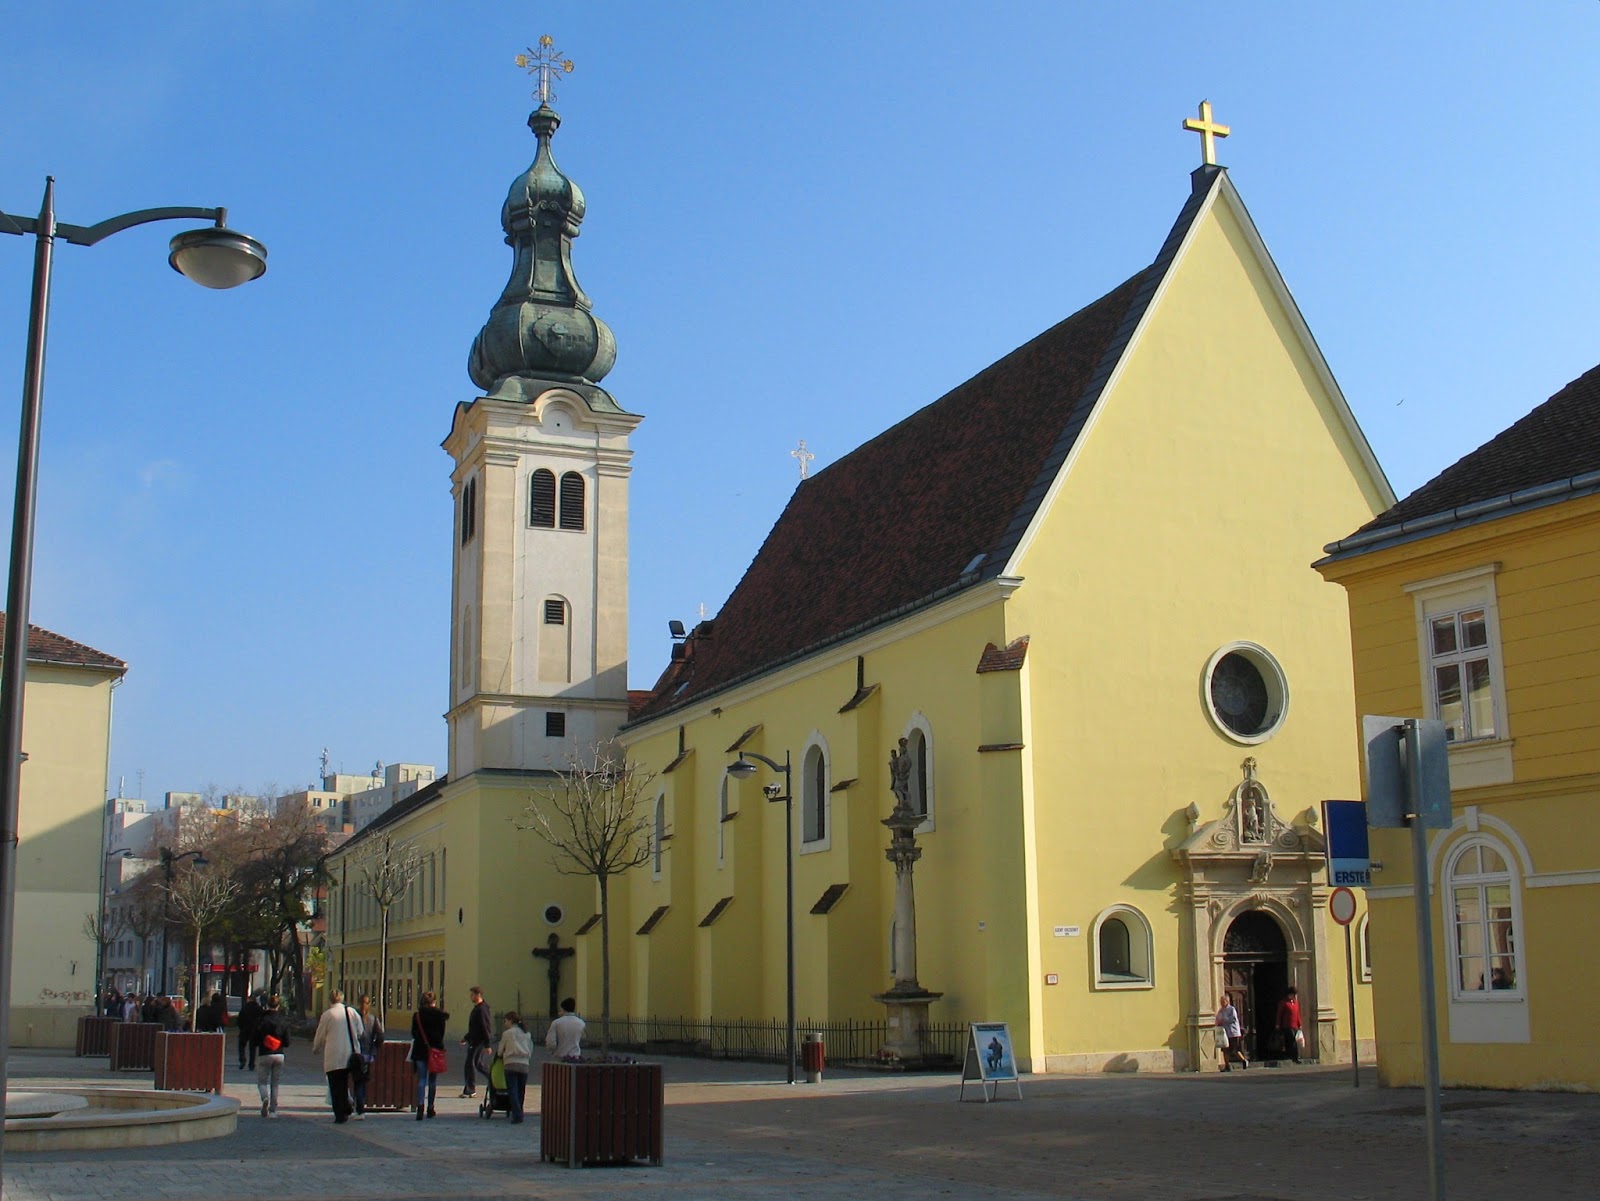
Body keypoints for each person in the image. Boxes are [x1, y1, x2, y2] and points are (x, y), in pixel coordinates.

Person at [311, 988, 365, 1124]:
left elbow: (320, 1034)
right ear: (342, 998)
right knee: (345, 1081)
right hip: (349, 1054)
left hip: (333, 1056)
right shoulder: (351, 1012)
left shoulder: (327, 1015)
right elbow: (360, 1031)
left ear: (330, 1000)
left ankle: (340, 1114)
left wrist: (316, 1047)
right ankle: (347, 1105)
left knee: (335, 1086)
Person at [410, 990, 450, 1121]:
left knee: (421, 1079)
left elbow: (414, 1033)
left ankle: (420, 1106)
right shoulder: (440, 1016)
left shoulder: (417, 1016)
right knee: (432, 1081)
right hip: (435, 1051)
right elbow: (441, 1034)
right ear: (434, 1002)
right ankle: (431, 1107)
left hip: (421, 1050)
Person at [253, 994, 292, 1119]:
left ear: (267, 1005)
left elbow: (255, 1038)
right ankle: (273, 1110)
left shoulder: (261, 1019)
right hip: (279, 1054)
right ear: (278, 1005)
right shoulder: (283, 1020)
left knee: (262, 1082)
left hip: (264, 1053)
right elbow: (288, 1042)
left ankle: (265, 1097)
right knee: (275, 1083)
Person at [352, 993, 385, 1119]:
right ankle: (361, 1106)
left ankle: (359, 1108)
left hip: (356, 1053)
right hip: (368, 1055)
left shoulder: (354, 1019)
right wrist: (375, 1048)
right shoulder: (373, 1019)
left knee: (357, 1081)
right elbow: (380, 1036)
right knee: (363, 1082)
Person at [498, 1011, 532, 1124]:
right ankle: (519, 1111)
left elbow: (500, 1051)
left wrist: (501, 1055)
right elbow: (530, 1049)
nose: (505, 1023)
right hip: (524, 1065)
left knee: (512, 1090)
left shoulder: (508, 1033)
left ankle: (517, 1114)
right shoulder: (527, 1034)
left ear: (511, 1021)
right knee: (521, 1091)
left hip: (510, 1064)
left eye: (506, 1020)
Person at [460, 986, 493, 1097]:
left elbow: (485, 1027)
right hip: (475, 1040)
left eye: (472, 994)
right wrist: (466, 1037)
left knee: (470, 1064)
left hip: (478, 1041)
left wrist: (488, 1044)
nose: (471, 997)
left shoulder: (482, 1009)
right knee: (478, 1064)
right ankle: (493, 1078)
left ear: (478, 995)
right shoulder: (478, 1008)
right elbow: (474, 1027)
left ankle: (470, 1089)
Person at [545, 996, 585, 1060]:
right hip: (575, 1056)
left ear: (563, 1009)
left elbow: (551, 1043)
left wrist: (551, 1051)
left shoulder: (556, 1023)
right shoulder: (581, 1023)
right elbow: (583, 1037)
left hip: (560, 1055)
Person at [1215, 993, 1248, 1071]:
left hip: (1233, 1032)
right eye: (1221, 1002)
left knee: (1235, 1050)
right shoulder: (1220, 1010)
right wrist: (1218, 1022)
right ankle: (1227, 1066)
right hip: (1225, 1033)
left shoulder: (1231, 1009)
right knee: (1225, 1049)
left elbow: (1233, 1019)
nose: (1222, 1003)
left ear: (1227, 1001)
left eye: (1223, 1001)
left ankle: (1244, 1061)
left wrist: (1224, 1019)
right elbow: (1217, 1019)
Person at [1276, 985, 1302, 1063]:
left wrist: (1299, 1024)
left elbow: (1298, 1014)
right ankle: (1294, 1057)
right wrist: (1277, 1024)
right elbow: (1279, 1014)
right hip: (1287, 1025)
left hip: (1295, 1026)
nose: (1293, 996)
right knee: (1292, 1040)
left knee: (1294, 1041)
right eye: (1292, 994)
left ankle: (1293, 1056)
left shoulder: (1295, 1003)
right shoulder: (1283, 1003)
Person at [237, 992, 263, 1070]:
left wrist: (241, 1027)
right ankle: (251, 1064)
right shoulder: (259, 1008)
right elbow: (261, 1020)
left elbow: (239, 1019)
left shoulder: (245, 1007)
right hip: (254, 1030)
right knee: (253, 1048)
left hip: (244, 1029)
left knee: (241, 1045)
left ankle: (242, 1060)